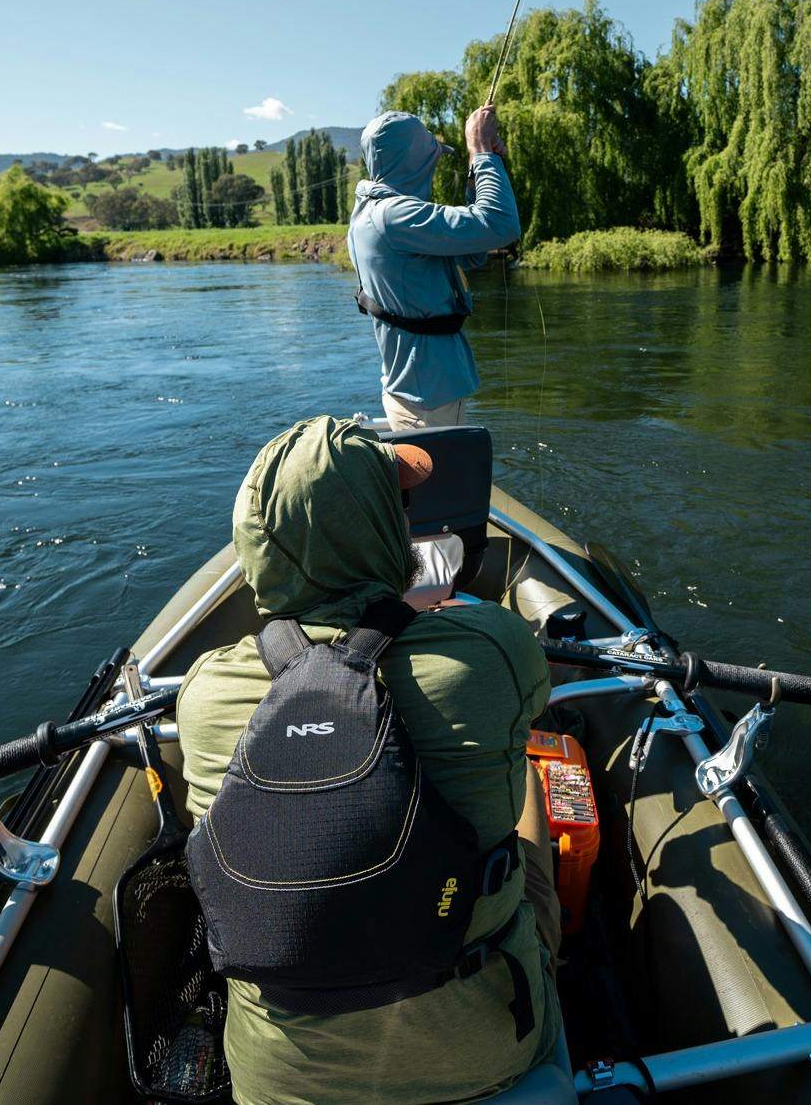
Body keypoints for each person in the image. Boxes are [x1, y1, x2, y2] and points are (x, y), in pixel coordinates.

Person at [175, 416, 561, 1105]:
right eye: (399, 505)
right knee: (527, 777)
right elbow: (530, 702)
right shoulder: (489, 648)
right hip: (481, 1055)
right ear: (385, 530)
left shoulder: (204, 695)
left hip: (280, 1085)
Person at [349, 104, 519, 430]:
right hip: (432, 396)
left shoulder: (369, 213)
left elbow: (472, 252)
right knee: (444, 478)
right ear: (416, 161)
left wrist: (478, 174)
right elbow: (501, 225)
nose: (437, 162)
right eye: (433, 157)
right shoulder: (396, 217)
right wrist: (482, 152)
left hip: (408, 388)